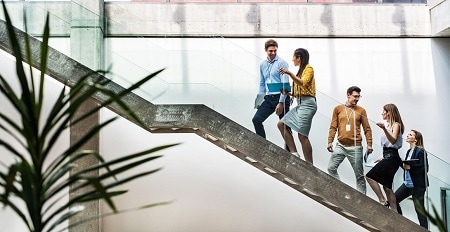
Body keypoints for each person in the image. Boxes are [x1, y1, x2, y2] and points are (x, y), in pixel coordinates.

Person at [327, 86, 373, 194]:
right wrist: (330, 141)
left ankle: (362, 201)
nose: (357, 99)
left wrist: (369, 144)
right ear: (348, 95)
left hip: (355, 147)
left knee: (359, 176)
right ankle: (341, 190)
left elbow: (367, 129)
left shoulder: (361, 110)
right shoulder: (338, 109)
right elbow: (333, 126)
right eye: (355, 96)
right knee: (331, 168)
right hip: (341, 146)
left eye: (358, 97)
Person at [277, 48, 317, 163]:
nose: (292, 59)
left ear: (299, 58)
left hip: (308, 104)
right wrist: (287, 93)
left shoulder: (309, 69)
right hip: (300, 103)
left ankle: (310, 165)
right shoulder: (300, 70)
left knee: (302, 135)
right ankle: (294, 153)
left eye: (294, 57)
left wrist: (289, 73)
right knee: (281, 124)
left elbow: (303, 83)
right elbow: (298, 91)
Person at [252, 39, 291, 149]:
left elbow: (285, 83)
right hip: (269, 98)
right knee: (256, 120)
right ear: (265, 50)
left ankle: (290, 153)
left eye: (275, 51)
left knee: (285, 126)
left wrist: (281, 102)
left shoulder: (282, 63)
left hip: (281, 97)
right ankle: (263, 147)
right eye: (270, 51)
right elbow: (262, 83)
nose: (273, 53)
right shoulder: (262, 65)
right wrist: (259, 100)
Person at [365, 104, 404, 212]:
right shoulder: (389, 125)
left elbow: (393, 141)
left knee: (369, 176)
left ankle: (383, 201)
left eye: (384, 111)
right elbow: (389, 147)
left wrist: (383, 129)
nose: (382, 113)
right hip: (389, 156)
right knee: (387, 187)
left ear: (389, 113)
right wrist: (383, 157)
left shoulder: (396, 125)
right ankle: (395, 212)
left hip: (392, 158)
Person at [395, 129, 429, 229]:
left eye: (410, 135)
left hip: (418, 186)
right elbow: (406, 167)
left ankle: (424, 230)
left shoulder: (421, 151)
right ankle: (400, 221)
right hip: (407, 184)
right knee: (394, 199)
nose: (408, 136)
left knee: (419, 210)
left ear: (415, 139)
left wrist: (410, 167)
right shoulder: (409, 151)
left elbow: (425, 168)